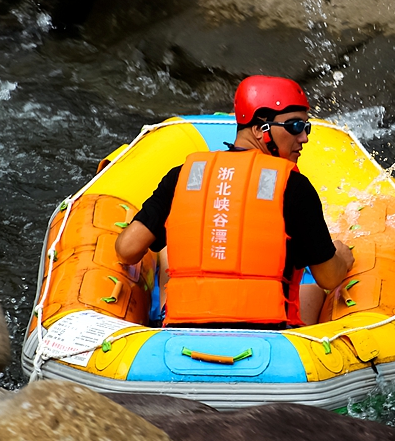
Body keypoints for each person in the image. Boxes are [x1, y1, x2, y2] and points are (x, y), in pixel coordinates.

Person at [115, 75, 354, 328]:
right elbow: (328, 277)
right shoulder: (294, 187)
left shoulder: (183, 176)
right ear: (260, 129)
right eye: (295, 126)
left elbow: (127, 249)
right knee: (311, 283)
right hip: (269, 338)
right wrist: (343, 256)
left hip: (182, 334)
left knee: (166, 250)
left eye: (306, 128)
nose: (303, 138)